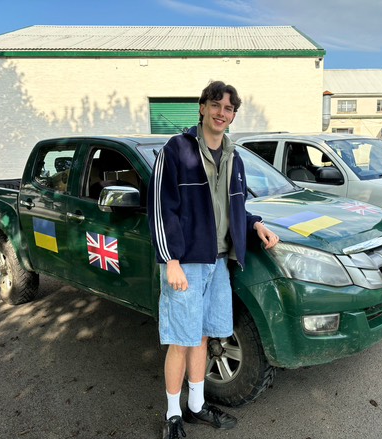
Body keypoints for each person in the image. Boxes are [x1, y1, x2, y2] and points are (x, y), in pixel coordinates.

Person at [148, 80, 279, 439]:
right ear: (202, 107)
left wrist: (256, 225)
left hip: (218, 261)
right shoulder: (176, 150)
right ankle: (173, 415)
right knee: (181, 339)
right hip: (186, 263)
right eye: (216, 105)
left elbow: (235, 204)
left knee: (203, 337)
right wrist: (170, 260)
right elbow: (161, 209)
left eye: (229, 109)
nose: (222, 113)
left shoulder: (233, 154)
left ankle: (195, 406)